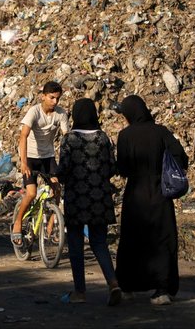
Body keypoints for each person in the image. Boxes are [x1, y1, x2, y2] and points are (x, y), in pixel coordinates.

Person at [115, 95, 188, 305]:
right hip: (159, 194)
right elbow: (181, 157)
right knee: (162, 239)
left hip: (135, 195)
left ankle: (128, 286)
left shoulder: (125, 136)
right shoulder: (161, 131)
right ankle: (162, 290)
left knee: (132, 240)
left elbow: (123, 168)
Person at [56, 98, 121, 306]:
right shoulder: (103, 138)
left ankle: (79, 292)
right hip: (100, 198)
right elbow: (112, 168)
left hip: (76, 198)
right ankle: (113, 283)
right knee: (99, 242)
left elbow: (63, 171)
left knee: (75, 243)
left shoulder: (69, 139)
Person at [11, 81, 69, 246]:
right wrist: (23, 163)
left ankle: (51, 227)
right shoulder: (34, 112)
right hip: (30, 157)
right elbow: (23, 136)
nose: (55, 102)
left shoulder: (61, 114)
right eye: (51, 98)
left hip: (48, 157)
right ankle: (17, 223)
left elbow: (66, 138)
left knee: (57, 190)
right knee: (31, 194)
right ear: (43, 96)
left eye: (57, 99)